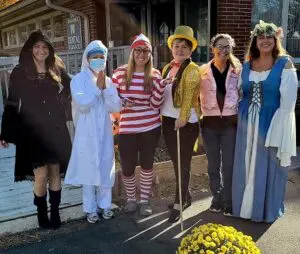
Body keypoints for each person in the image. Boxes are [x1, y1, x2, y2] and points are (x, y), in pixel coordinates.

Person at [0, 30, 72, 229]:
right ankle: (41, 212)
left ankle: (55, 211)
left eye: (45, 47)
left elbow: (74, 88)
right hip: (32, 130)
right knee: (41, 174)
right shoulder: (20, 71)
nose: (41, 50)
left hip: (55, 128)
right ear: (31, 49)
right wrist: (5, 132)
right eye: (37, 46)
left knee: (55, 171)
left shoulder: (57, 68)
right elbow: (13, 102)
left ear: (49, 50)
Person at [232, 20, 298, 222]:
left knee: (266, 165)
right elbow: (239, 93)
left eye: (269, 37)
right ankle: (243, 209)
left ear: (276, 39)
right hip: (246, 123)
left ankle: (263, 210)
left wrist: (281, 130)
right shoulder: (246, 65)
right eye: (261, 37)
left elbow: (288, 104)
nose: (265, 40)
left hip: (271, 121)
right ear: (255, 41)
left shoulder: (284, 64)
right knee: (245, 163)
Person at [112, 34, 170, 216]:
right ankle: (131, 199)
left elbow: (155, 105)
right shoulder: (120, 73)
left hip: (150, 127)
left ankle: (144, 201)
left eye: (146, 51)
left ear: (150, 54)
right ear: (132, 52)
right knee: (127, 167)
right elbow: (111, 97)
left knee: (146, 165)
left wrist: (160, 87)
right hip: (127, 127)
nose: (142, 54)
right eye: (138, 50)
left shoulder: (154, 74)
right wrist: (122, 103)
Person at [65, 40, 121, 223]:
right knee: (88, 170)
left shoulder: (108, 80)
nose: (98, 60)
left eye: (101, 57)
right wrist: (98, 89)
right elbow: (83, 105)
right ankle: (90, 209)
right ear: (87, 58)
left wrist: (106, 90)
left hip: (104, 131)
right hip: (86, 133)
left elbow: (115, 106)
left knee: (105, 167)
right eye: (94, 57)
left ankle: (105, 205)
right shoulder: (78, 80)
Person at [161, 26, 201, 223]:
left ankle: (179, 202)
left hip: (185, 123)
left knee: (182, 163)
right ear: (172, 48)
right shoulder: (167, 68)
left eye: (184, 47)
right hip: (168, 120)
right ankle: (187, 196)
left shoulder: (193, 70)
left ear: (190, 50)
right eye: (177, 46)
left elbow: (187, 98)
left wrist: (183, 118)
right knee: (177, 163)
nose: (180, 50)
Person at [199, 34, 241, 216]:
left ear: (231, 49)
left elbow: (243, 93)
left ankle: (229, 200)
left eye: (227, 47)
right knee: (213, 164)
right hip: (209, 123)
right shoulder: (202, 71)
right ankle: (217, 197)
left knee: (229, 164)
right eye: (219, 46)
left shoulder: (238, 70)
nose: (223, 50)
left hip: (230, 123)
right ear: (212, 48)